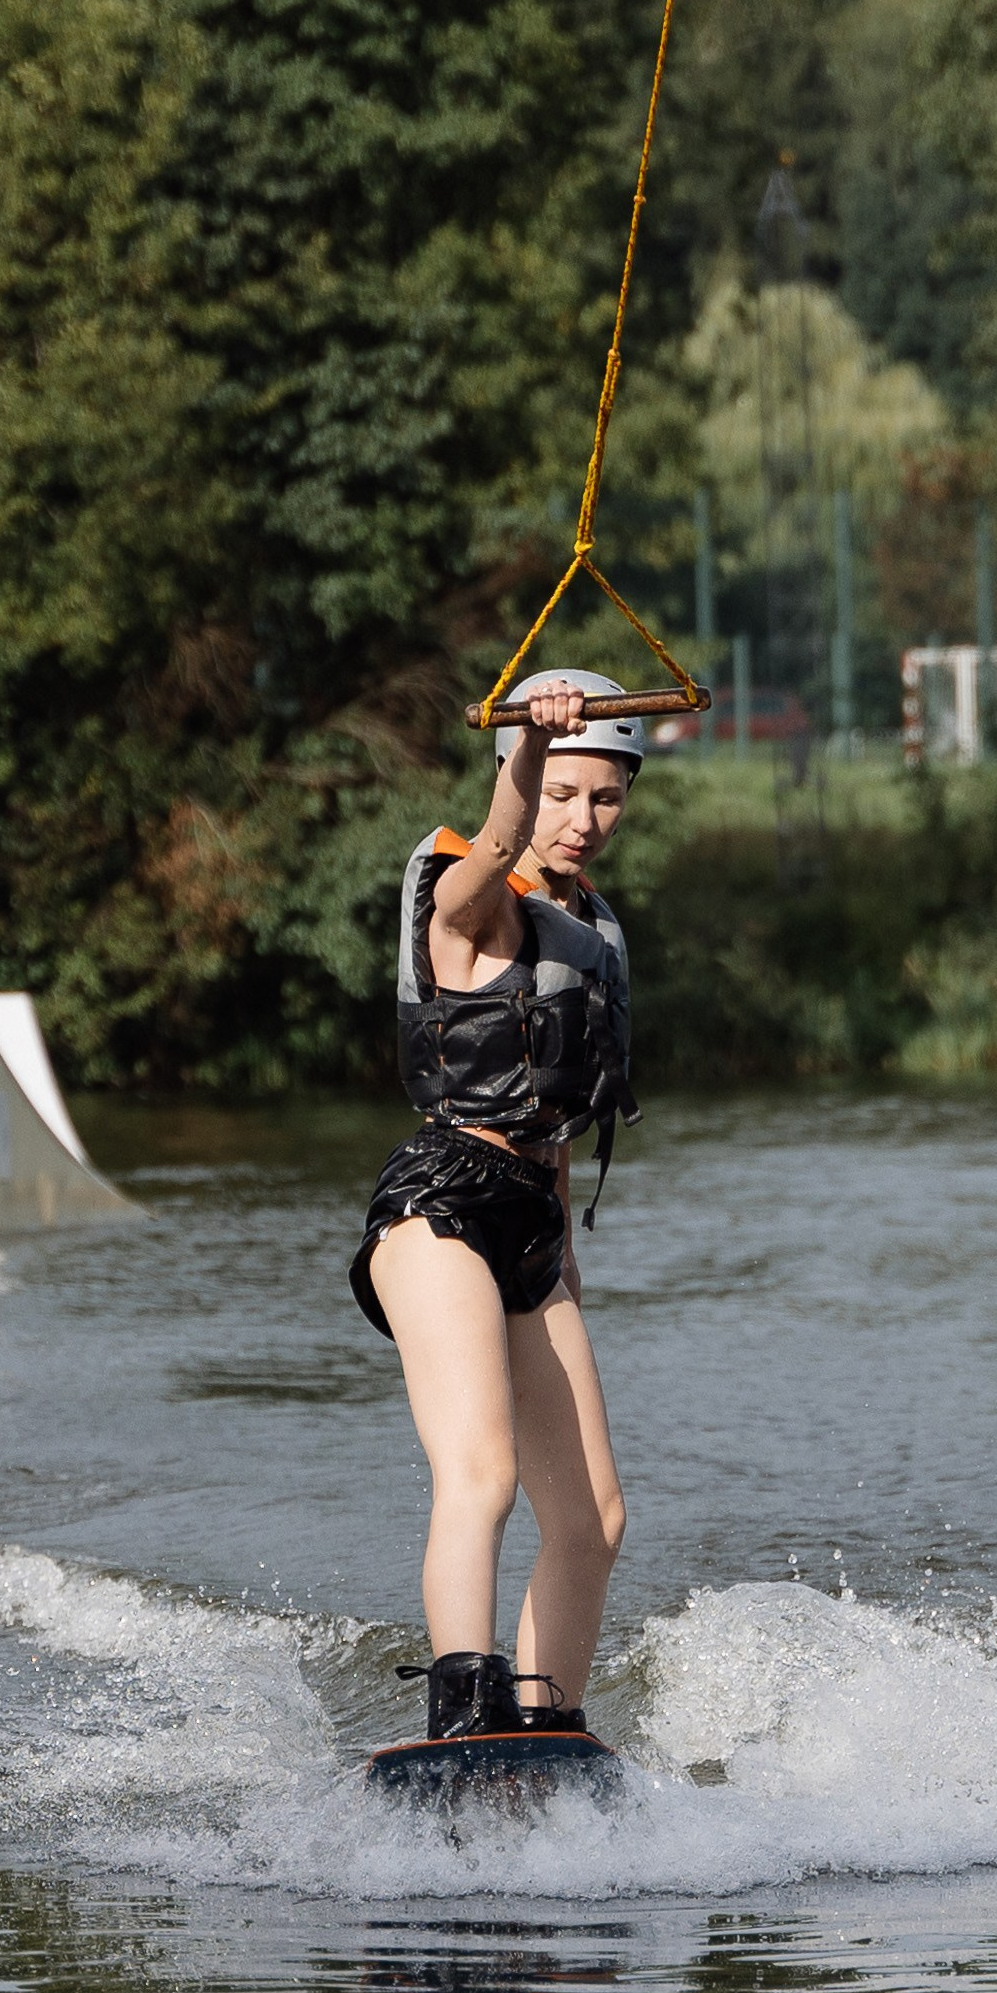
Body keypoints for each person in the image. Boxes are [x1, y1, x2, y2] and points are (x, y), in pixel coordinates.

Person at [350, 671, 641, 1746]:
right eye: (563, 793)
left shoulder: (593, 931)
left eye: (604, 797)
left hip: (529, 1219)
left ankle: (546, 1725)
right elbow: (496, 839)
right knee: (484, 1470)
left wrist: (564, 1265)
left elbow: (559, 1125)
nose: (581, 820)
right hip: (437, 1206)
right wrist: (529, 749)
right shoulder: (468, 897)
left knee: (594, 1514)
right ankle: (462, 1718)